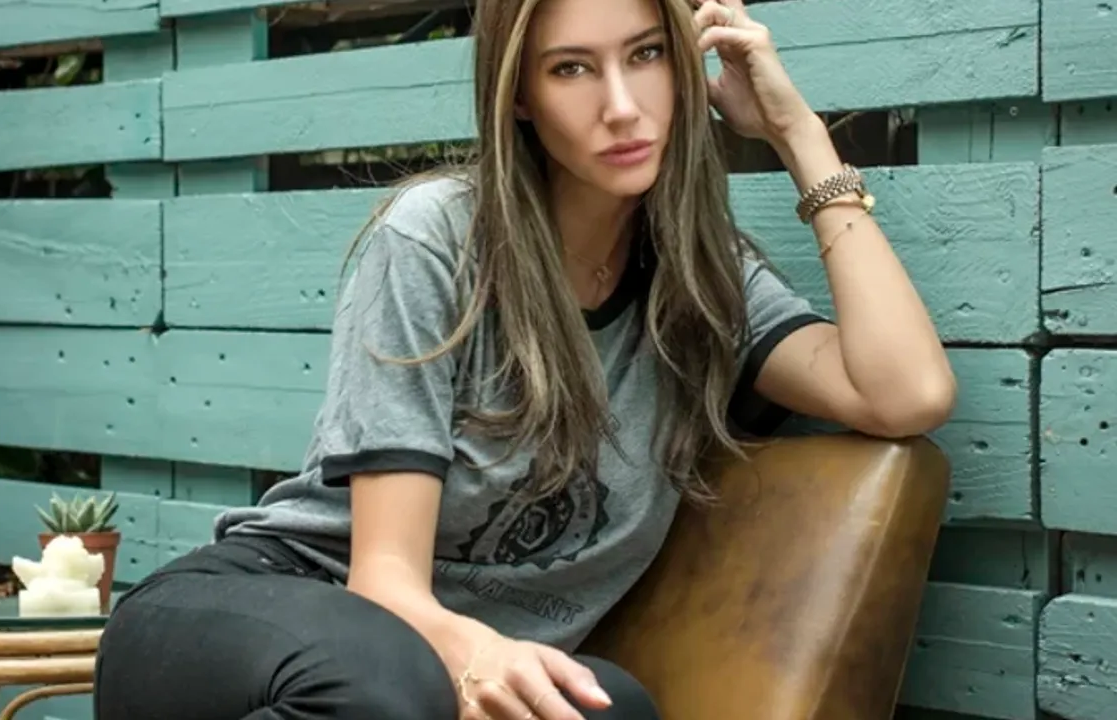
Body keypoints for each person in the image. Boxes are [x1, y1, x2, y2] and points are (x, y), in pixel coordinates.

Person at [93, 0, 956, 717]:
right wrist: (476, 656)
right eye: (571, 69)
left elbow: (907, 394)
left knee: (612, 707)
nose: (622, 105)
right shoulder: (439, 239)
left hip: (437, 674)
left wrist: (797, 133)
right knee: (385, 686)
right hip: (266, 615)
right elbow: (384, 582)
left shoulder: (703, 284)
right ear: (519, 97)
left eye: (647, 55)